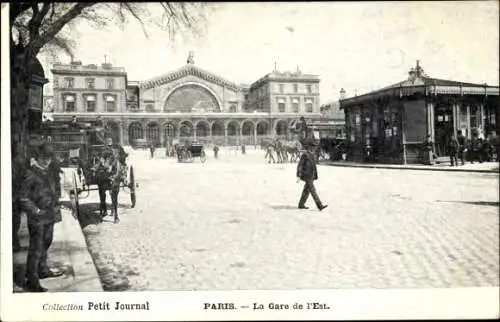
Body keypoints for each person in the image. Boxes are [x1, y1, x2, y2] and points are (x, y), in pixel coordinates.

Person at [19, 142, 64, 292]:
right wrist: (35, 210)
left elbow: (53, 191)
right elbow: (23, 197)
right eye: (43, 158)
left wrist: (56, 205)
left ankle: (43, 269)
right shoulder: (30, 173)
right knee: (36, 248)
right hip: (37, 217)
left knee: (47, 241)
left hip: (49, 215)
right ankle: (31, 279)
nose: (46, 161)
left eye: (49, 158)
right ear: (37, 158)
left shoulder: (49, 172)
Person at [296, 140, 328, 211]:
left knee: (306, 190)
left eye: (315, 147)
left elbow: (313, 166)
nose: (314, 148)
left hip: (311, 175)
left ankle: (301, 204)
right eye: (313, 147)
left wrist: (315, 175)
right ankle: (319, 205)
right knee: (313, 190)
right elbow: (300, 165)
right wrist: (299, 175)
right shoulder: (305, 155)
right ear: (309, 147)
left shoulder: (312, 155)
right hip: (307, 175)